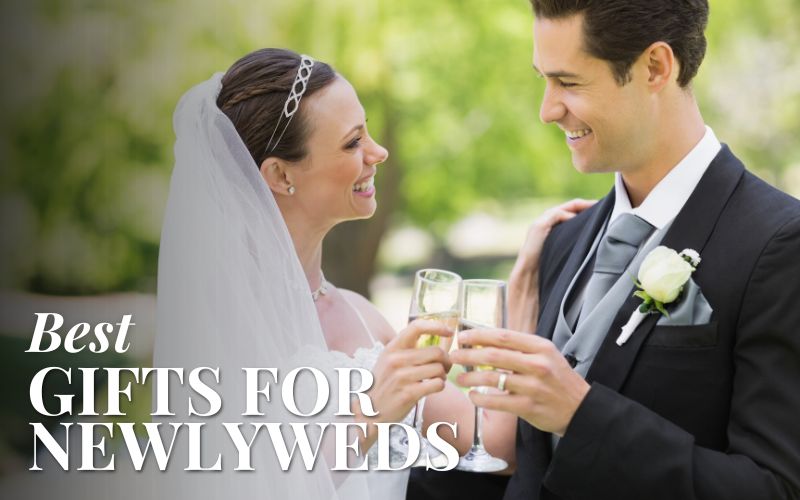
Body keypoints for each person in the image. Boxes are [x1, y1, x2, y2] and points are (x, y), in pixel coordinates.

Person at [156, 47, 588, 500]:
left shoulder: (365, 318)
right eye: (352, 142)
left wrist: (521, 293)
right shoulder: (217, 329)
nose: (378, 153)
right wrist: (371, 412)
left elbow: (499, 448)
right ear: (281, 174)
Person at [451, 1, 800, 499]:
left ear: (655, 67)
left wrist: (580, 415)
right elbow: (527, 467)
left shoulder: (781, 244)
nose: (547, 110)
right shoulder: (562, 241)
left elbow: (775, 488)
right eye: (543, 81)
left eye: (568, 83)